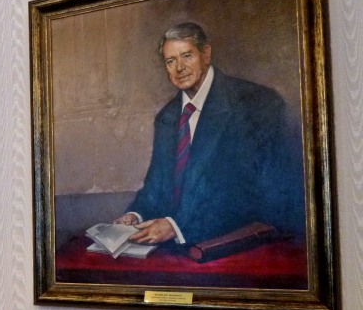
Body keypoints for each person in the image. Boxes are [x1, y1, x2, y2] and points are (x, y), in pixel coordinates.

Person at [116, 22, 305, 247]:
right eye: (170, 61)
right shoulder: (166, 118)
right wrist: (136, 214)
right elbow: (156, 187)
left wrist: (178, 226)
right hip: (176, 247)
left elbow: (252, 193)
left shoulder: (255, 103)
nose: (179, 68)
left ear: (206, 54)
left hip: (237, 245)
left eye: (187, 56)